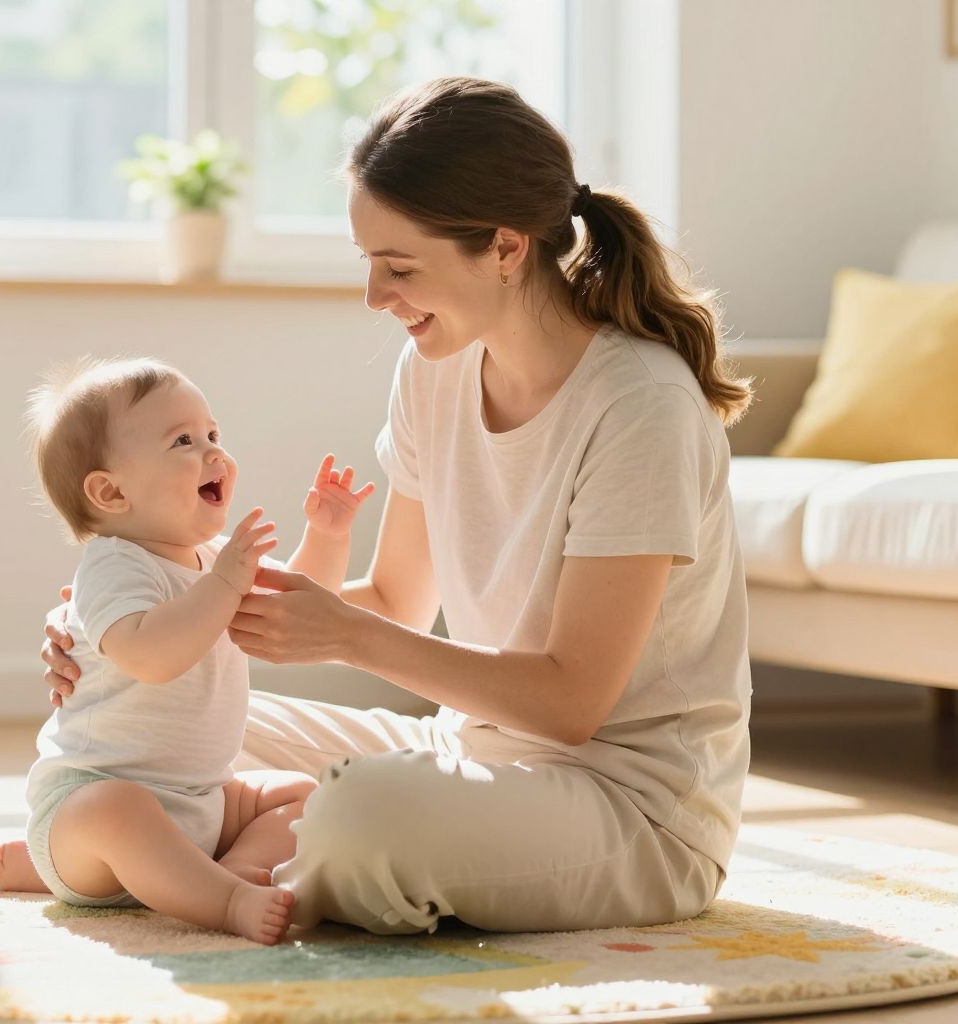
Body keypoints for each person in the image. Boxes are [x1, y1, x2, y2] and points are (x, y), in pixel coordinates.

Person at [39, 76, 755, 936]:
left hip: (629, 808)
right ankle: (229, 871)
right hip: (468, 753)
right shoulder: (434, 370)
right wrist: (121, 627)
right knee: (144, 732)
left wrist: (346, 635)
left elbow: (573, 705)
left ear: (504, 246)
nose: (376, 297)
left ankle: (224, 873)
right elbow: (395, 603)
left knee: (360, 817)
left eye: (400, 267)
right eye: (368, 263)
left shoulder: (641, 405)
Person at [0, 355, 375, 944]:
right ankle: (222, 900)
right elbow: (151, 656)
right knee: (122, 814)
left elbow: (295, 608)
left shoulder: (214, 560)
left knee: (299, 793)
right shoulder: (113, 566)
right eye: (184, 441)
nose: (215, 453)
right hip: (91, 803)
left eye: (214, 434)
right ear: (111, 491)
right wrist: (224, 585)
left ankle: (236, 869)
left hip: (204, 801)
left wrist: (327, 535)